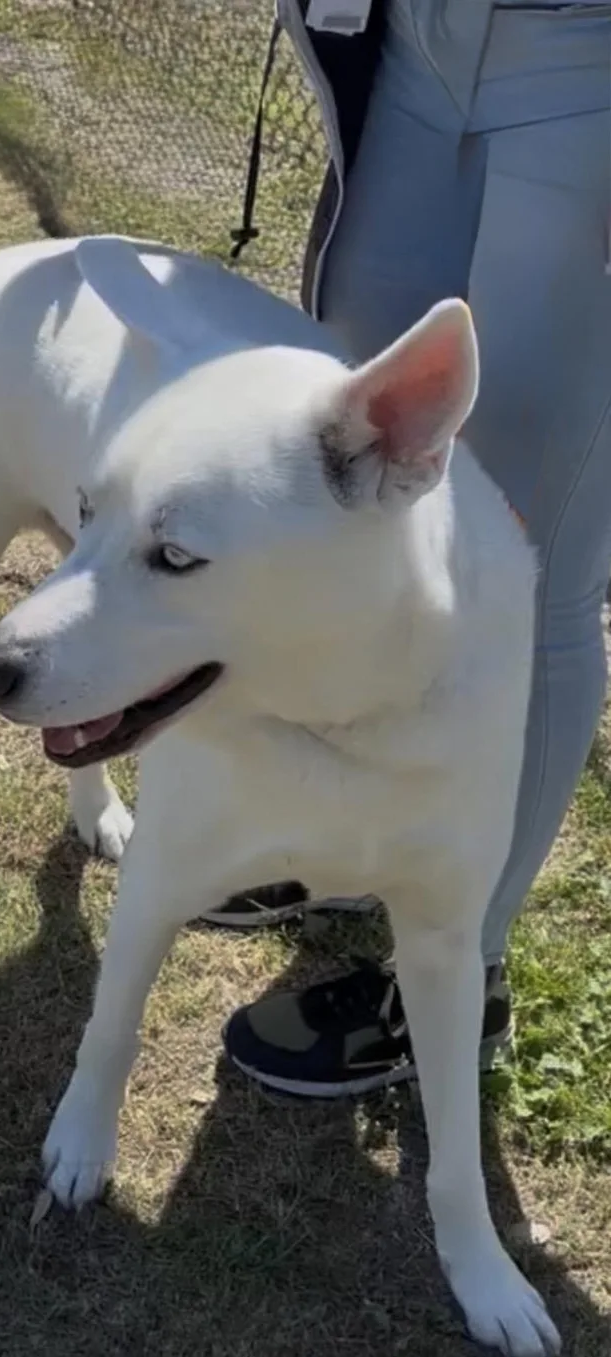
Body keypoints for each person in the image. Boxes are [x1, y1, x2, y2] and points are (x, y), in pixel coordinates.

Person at [215, 0, 611, 1097]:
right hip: (420, 52)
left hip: (585, 64)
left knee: (531, 563)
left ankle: (454, 972)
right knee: (357, 478)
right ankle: (346, 848)